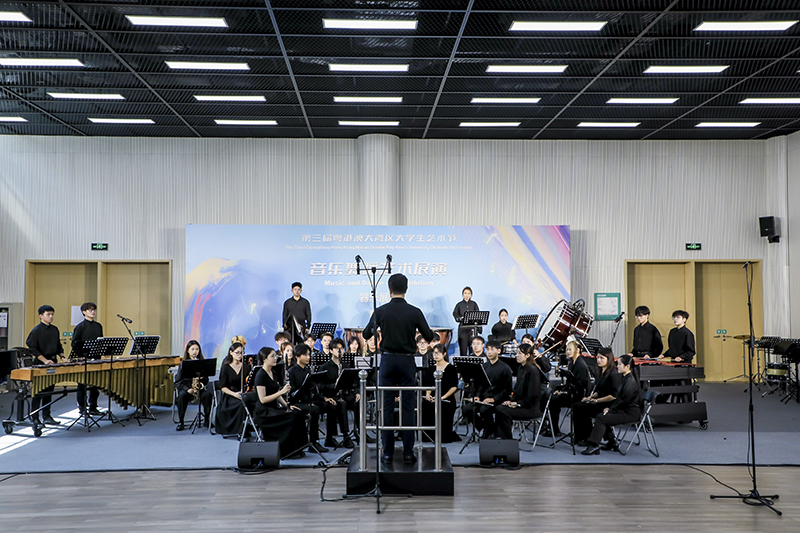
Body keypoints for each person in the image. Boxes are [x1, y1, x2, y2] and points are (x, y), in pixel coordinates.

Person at [364, 273, 435, 465]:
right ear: (407, 288)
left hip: (387, 361)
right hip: (407, 361)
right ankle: (408, 453)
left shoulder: (381, 311)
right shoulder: (414, 311)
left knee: (386, 407)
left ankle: (387, 453)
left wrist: (377, 327)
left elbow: (366, 334)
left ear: (389, 289)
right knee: (408, 408)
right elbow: (429, 336)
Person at [253, 347, 308, 459]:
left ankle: (298, 448)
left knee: (298, 413)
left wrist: (287, 406)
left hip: (273, 408)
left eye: (275, 356)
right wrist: (281, 392)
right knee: (291, 417)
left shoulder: (273, 372)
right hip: (264, 412)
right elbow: (263, 399)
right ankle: (286, 451)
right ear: (264, 359)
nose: (275, 358)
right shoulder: (260, 375)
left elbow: (277, 394)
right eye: (272, 356)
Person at [582, 354, 642, 455]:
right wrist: (610, 408)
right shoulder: (624, 378)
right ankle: (611, 441)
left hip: (630, 413)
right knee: (601, 414)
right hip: (624, 410)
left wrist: (610, 410)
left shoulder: (630, 382)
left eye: (619, 364)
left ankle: (593, 445)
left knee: (601, 418)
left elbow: (624, 401)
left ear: (627, 366)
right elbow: (620, 400)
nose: (617, 366)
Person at [287, 343, 338, 452]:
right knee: (315, 409)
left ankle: (330, 438)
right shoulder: (292, 372)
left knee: (331, 405)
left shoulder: (307, 370)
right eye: (305, 355)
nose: (308, 357)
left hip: (309, 399)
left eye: (309, 355)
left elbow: (313, 390)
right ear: (297, 356)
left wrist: (324, 398)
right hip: (298, 401)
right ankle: (313, 442)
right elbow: (291, 393)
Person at [463, 339, 512, 439]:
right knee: (467, 409)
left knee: (484, 410)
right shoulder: (484, 366)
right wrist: (477, 396)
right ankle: (486, 428)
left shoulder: (505, 368)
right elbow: (481, 384)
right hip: (484, 397)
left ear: (498, 351)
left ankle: (488, 430)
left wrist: (493, 399)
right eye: (487, 349)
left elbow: (506, 389)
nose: (489, 352)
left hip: (498, 398)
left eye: (492, 349)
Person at [491, 344, 542, 439]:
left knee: (504, 412)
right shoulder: (520, 368)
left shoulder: (532, 370)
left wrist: (518, 404)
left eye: (519, 353)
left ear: (527, 355)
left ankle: (507, 440)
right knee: (499, 408)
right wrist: (511, 401)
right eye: (516, 353)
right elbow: (518, 391)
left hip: (530, 408)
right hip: (522, 404)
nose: (516, 356)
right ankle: (499, 437)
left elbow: (533, 395)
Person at [572, 347, 621, 446]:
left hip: (610, 404)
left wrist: (596, 401)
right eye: (598, 357)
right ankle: (582, 436)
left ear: (609, 359)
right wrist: (590, 398)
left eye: (602, 358)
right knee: (577, 405)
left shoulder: (614, 374)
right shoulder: (601, 372)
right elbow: (599, 391)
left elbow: (614, 396)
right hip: (600, 401)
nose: (598, 360)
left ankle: (587, 437)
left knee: (583, 409)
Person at [26, 305, 63, 425]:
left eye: (52, 314)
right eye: (48, 314)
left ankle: (47, 416)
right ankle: (34, 417)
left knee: (49, 392)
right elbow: (32, 348)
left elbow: (58, 345)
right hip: (40, 364)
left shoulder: (55, 329)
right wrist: (44, 360)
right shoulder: (36, 331)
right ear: (41, 316)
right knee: (38, 392)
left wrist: (62, 357)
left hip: (53, 363)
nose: (51, 316)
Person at [545, 340, 591, 437]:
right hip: (572, 392)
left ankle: (554, 429)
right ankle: (553, 428)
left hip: (579, 395)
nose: (568, 352)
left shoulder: (580, 365)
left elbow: (580, 385)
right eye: (567, 350)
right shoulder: (572, 363)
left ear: (577, 350)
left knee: (554, 400)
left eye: (570, 349)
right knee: (552, 397)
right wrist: (561, 391)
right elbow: (570, 383)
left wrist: (564, 392)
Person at [318, 338, 356, 448]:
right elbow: (320, 386)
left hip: (344, 394)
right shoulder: (325, 367)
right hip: (331, 395)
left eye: (341, 348)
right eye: (336, 348)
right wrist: (334, 384)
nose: (340, 351)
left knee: (357, 401)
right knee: (340, 404)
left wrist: (357, 393)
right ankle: (344, 436)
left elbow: (353, 382)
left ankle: (359, 431)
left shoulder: (345, 366)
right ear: (330, 350)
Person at [421, 343, 461, 443]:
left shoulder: (451, 368)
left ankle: (443, 435)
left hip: (446, 398)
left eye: (438, 353)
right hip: (433, 397)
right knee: (425, 406)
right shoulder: (431, 368)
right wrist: (427, 394)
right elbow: (428, 384)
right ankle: (428, 436)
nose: (436, 355)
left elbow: (454, 387)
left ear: (444, 354)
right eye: (434, 353)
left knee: (443, 408)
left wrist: (442, 397)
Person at [71, 302, 103, 416]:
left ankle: (93, 407)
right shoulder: (80, 327)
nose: (93, 312)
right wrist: (79, 355)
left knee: (95, 384)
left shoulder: (98, 326)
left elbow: (101, 341)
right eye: (90, 310)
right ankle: (82, 407)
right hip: (84, 359)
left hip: (96, 359)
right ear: (84, 312)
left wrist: (104, 351)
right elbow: (74, 343)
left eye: (94, 310)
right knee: (82, 385)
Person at [175, 340, 213, 431]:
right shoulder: (183, 364)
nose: (195, 351)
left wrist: (202, 378)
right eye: (192, 349)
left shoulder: (202, 363)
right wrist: (187, 389)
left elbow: (206, 381)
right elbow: (178, 382)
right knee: (181, 396)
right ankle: (181, 421)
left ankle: (207, 420)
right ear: (188, 351)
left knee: (207, 395)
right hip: (187, 389)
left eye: (197, 349)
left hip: (199, 389)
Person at [214, 342, 251, 436]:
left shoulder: (246, 367)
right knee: (241, 404)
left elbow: (249, 383)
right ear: (231, 352)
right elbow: (223, 387)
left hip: (243, 393)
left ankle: (246, 428)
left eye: (241, 353)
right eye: (237, 353)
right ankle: (240, 430)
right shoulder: (225, 368)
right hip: (229, 395)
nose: (240, 355)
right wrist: (234, 394)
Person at [453, 286, 480, 358]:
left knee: (473, 350)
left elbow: (478, 315)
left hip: (472, 330)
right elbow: (455, 314)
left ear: (471, 294)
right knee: (463, 350)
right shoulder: (459, 305)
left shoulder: (474, 304)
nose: (467, 295)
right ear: (462, 294)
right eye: (465, 293)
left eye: (469, 293)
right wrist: (460, 318)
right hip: (463, 330)